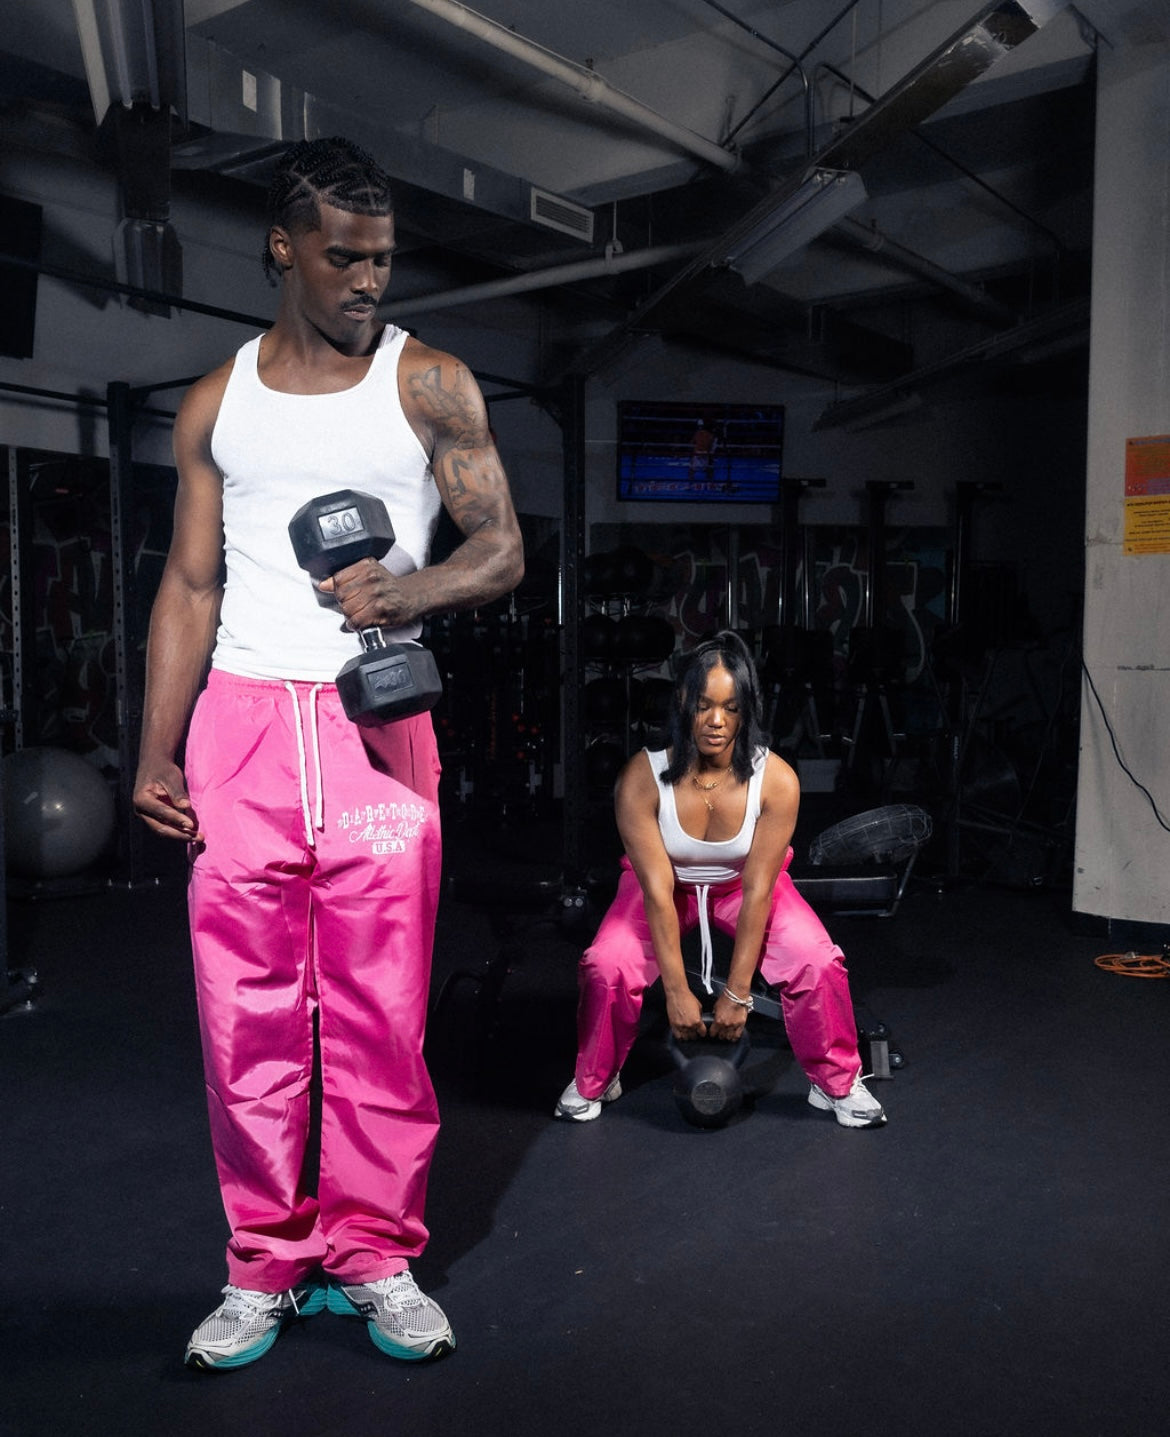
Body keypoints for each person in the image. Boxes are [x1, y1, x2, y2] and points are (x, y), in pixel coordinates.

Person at [133, 136, 523, 1371]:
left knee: (379, 1013)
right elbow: (190, 583)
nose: (369, 280)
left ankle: (375, 1255)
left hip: (375, 722)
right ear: (283, 247)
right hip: (242, 723)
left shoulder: (432, 385)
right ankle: (263, 1263)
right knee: (242, 1017)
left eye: (385, 258)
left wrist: (409, 596)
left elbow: (502, 548)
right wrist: (154, 754)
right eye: (346, 257)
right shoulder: (216, 401)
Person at [554, 630, 885, 1130]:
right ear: (683, 700)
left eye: (730, 708)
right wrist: (677, 992)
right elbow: (657, 893)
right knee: (607, 964)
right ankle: (596, 1075)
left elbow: (757, 891)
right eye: (704, 705)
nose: (715, 721)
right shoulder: (641, 778)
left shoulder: (775, 781)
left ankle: (835, 1080)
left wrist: (736, 994)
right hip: (664, 887)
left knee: (817, 961)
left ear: (746, 710)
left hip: (741, 886)